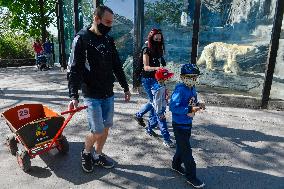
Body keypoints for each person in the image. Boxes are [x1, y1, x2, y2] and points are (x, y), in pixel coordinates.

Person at [67, 5, 131, 173]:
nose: (110, 26)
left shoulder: (108, 40)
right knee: (97, 131)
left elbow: (117, 65)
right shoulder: (81, 39)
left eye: (111, 23)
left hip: (108, 93)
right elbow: (74, 69)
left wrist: (125, 87)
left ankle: (97, 154)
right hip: (92, 94)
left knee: (106, 127)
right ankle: (86, 152)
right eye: (107, 22)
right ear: (96, 18)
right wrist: (73, 95)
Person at [169, 63, 206, 188]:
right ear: (182, 77)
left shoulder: (192, 88)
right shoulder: (180, 89)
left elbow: (192, 102)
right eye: (189, 77)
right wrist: (190, 109)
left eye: (194, 77)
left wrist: (199, 104)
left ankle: (175, 165)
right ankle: (191, 177)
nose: (192, 80)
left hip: (187, 124)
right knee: (187, 152)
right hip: (179, 125)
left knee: (182, 146)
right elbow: (173, 107)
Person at [134, 28, 167, 127]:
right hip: (147, 79)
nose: (158, 41)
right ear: (151, 38)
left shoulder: (158, 49)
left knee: (156, 101)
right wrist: (158, 68)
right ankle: (140, 115)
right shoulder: (146, 49)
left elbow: (161, 61)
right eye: (156, 39)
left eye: (159, 39)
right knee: (154, 101)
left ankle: (152, 122)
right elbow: (146, 67)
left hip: (157, 79)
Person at [146, 67, 175, 148]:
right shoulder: (159, 89)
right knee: (163, 124)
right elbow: (157, 102)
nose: (168, 78)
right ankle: (166, 140)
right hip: (159, 109)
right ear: (162, 79)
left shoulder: (161, 85)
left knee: (154, 121)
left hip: (158, 108)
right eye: (166, 78)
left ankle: (149, 128)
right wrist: (160, 113)